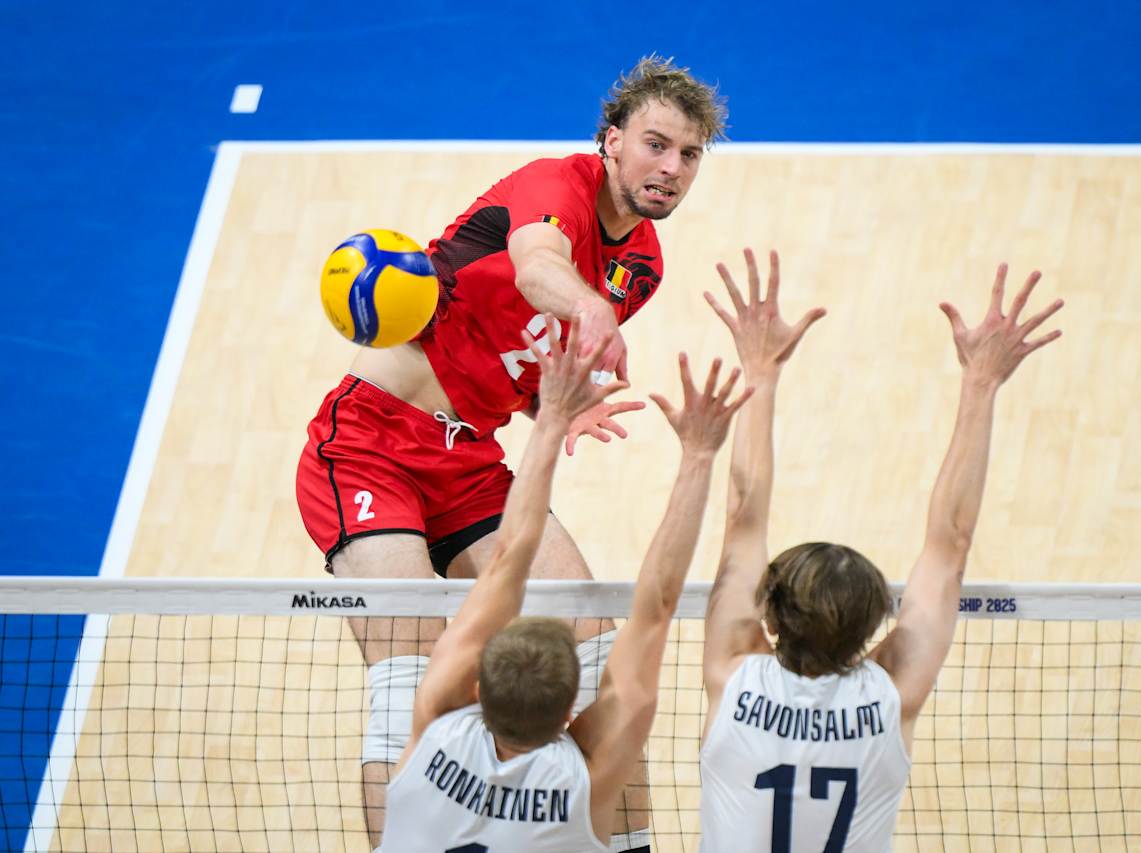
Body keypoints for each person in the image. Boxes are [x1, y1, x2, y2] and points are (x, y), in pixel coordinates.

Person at [294, 56, 726, 850]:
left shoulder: (644, 265)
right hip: (371, 445)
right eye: (655, 144)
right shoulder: (551, 185)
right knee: (409, 673)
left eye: (689, 154)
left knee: (594, 640)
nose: (670, 168)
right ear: (611, 141)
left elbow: (517, 349)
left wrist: (550, 407)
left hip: (470, 466)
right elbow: (536, 270)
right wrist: (593, 308)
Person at [698, 252, 1064, 852]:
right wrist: (981, 384)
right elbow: (951, 545)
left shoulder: (732, 673)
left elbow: (742, 518)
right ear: (876, 628)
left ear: (768, 615)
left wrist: (759, 371)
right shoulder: (892, 694)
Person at [380, 317, 751, 852]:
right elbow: (658, 604)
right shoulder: (585, 781)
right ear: (570, 716)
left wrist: (550, 417)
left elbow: (510, 556)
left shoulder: (436, 719)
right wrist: (698, 456)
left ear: (476, 690)